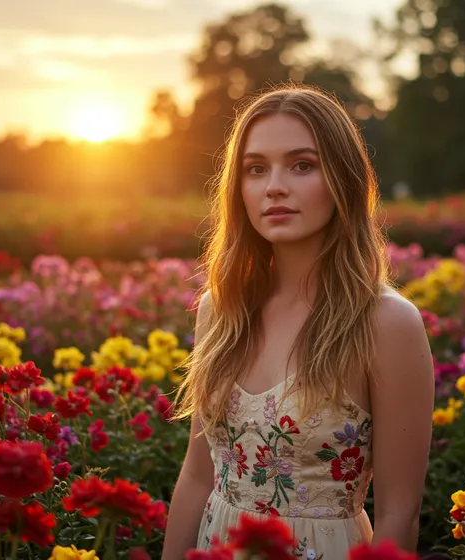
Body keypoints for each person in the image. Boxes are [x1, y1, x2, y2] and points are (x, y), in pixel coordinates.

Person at [161, 83, 434, 560]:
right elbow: (198, 477)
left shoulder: (386, 323)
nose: (274, 186)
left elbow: (398, 513)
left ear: (344, 179)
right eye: (256, 169)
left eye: (302, 165)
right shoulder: (221, 309)